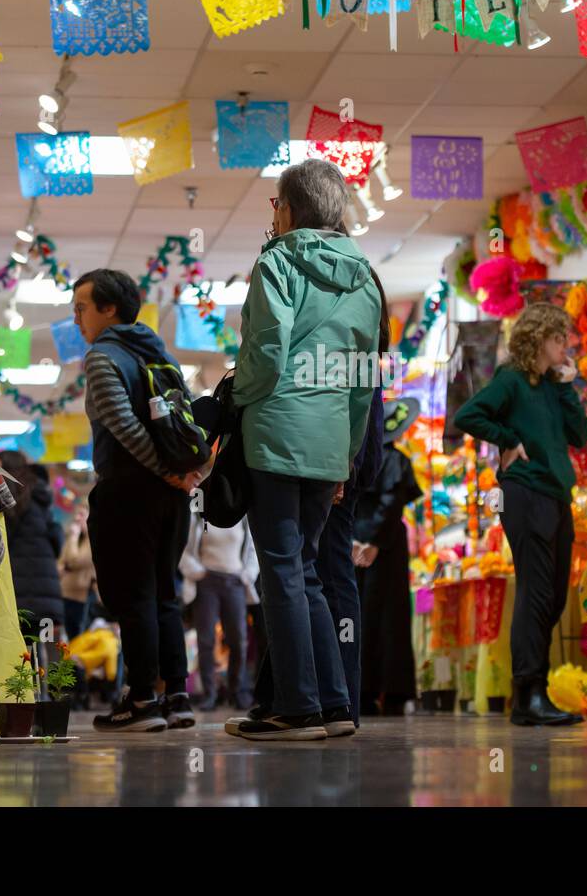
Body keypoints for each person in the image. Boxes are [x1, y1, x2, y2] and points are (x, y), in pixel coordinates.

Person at [229, 159, 382, 741]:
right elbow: (363, 380)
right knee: (308, 571)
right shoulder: (366, 277)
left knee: (281, 573)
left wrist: (234, 399)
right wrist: (345, 454)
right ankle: (335, 704)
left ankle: (295, 706)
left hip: (277, 434)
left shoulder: (279, 260)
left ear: (289, 208)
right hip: (329, 443)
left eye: (275, 202)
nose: (273, 213)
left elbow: (267, 354)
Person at [74, 268, 205, 733]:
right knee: (165, 593)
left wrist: (168, 471)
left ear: (109, 309)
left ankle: (142, 700)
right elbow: (190, 420)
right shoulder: (159, 353)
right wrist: (184, 473)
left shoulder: (103, 357)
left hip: (130, 490)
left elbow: (124, 426)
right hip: (171, 496)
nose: (77, 320)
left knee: (134, 597)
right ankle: (177, 696)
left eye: (82, 309)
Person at [453, 302, 587, 727]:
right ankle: (529, 692)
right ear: (538, 339)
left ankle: (533, 691)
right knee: (534, 592)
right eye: (557, 338)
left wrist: (567, 386)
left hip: (554, 492)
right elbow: (468, 415)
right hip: (524, 492)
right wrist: (508, 439)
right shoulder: (511, 380)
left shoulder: (552, 385)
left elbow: (580, 437)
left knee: (552, 595)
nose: (564, 344)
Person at [354, 397, 423, 716]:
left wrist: (359, 540)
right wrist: (375, 541)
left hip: (359, 546)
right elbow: (391, 503)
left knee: (361, 617)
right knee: (388, 618)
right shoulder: (396, 460)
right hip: (384, 546)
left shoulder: (359, 459)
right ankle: (392, 691)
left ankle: (363, 689)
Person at [179, 516, 259, 710]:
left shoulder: (242, 517)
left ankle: (236, 691)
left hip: (235, 582)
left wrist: (246, 574)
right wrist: (199, 572)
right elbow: (185, 550)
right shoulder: (199, 516)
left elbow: (252, 551)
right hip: (207, 582)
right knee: (205, 641)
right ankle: (209, 694)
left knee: (238, 640)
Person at [0, 451, 65, 642]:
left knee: (17, 653)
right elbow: (57, 541)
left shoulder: (1, 503)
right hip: (46, 594)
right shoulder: (40, 496)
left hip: (14, 594)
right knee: (42, 650)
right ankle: (41, 673)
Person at [59, 499, 96, 641]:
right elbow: (62, 560)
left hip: (82, 597)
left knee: (79, 638)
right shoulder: (75, 538)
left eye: (81, 515)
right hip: (66, 594)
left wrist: (73, 537)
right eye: (76, 514)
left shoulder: (91, 538)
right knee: (69, 637)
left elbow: (75, 561)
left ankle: (77, 664)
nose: (76, 518)